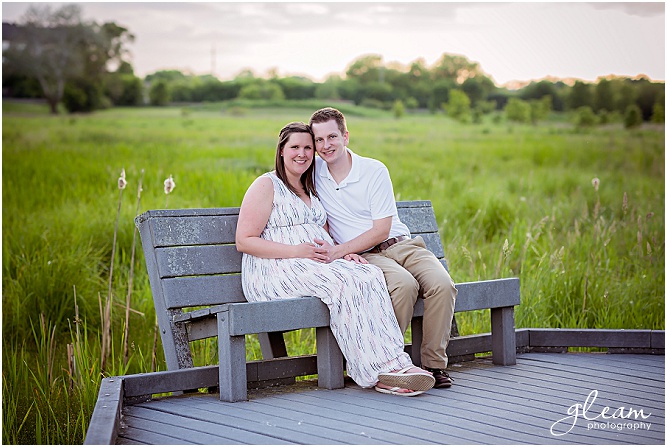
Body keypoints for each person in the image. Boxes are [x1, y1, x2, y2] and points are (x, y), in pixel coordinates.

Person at [236, 122, 435, 396]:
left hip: (312, 264)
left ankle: (394, 364)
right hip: (274, 270)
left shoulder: (311, 186)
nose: (302, 153)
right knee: (344, 282)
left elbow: (325, 234)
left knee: (369, 274)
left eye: (308, 147)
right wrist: (296, 251)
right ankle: (377, 372)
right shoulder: (266, 185)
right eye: (295, 147)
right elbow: (244, 240)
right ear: (281, 150)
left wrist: (345, 252)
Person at [309, 108, 458, 388]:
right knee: (403, 286)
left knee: (442, 284)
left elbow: (381, 229)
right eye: (319, 140)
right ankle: (388, 362)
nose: (326, 145)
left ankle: (433, 366)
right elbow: (287, 168)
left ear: (346, 136)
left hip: (402, 245)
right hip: (367, 256)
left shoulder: (373, 170)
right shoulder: (313, 173)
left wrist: (337, 251)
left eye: (332, 137)